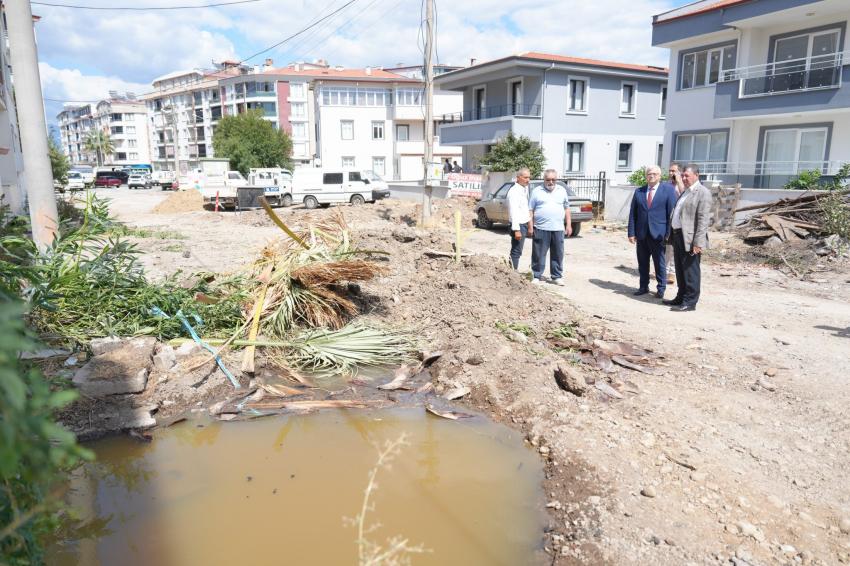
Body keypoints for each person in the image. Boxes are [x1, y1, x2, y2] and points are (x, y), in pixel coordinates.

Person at [664, 164, 712, 311]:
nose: (684, 178)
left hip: (690, 240)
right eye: (683, 175)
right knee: (679, 269)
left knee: (691, 271)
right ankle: (681, 296)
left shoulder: (702, 193)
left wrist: (698, 242)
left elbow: (703, 220)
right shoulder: (686, 192)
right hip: (678, 236)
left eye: (687, 176)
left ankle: (690, 302)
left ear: (696, 175)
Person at [627, 165, 677, 299]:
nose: (652, 176)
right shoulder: (639, 192)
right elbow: (633, 214)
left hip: (658, 234)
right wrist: (631, 232)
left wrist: (668, 234)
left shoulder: (668, 190)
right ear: (646, 176)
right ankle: (643, 286)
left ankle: (661, 288)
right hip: (642, 233)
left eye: (655, 174)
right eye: (649, 174)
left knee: (659, 262)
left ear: (660, 176)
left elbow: (671, 215)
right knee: (642, 262)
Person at [528, 169, 571, 285]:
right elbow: (530, 210)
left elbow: (567, 208)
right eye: (548, 179)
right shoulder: (536, 191)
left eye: (553, 179)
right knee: (538, 253)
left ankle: (556, 276)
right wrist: (530, 227)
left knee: (558, 253)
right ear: (544, 179)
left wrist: (569, 225)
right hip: (541, 228)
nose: (551, 182)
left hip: (558, 228)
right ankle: (537, 275)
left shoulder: (562, 191)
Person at [507, 167, 531, 270]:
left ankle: (512, 271)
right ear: (518, 178)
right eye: (525, 177)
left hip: (523, 224)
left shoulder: (524, 189)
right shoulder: (514, 192)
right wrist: (516, 230)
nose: (528, 180)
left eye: (529, 177)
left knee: (518, 250)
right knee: (516, 251)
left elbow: (524, 209)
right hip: (518, 225)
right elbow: (514, 212)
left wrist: (529, 224)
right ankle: (512, 273)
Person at [665, 163, 685, 285]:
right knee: (666, 246)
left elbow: (685, 195)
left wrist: (679, 182)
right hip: (667, 218)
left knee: (673, 248)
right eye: (670, 171)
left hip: (678, 220)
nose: (671, 173)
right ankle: (664, 270)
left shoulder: (682, 185)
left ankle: (672, 272)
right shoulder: (667, 185)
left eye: (674, 171)